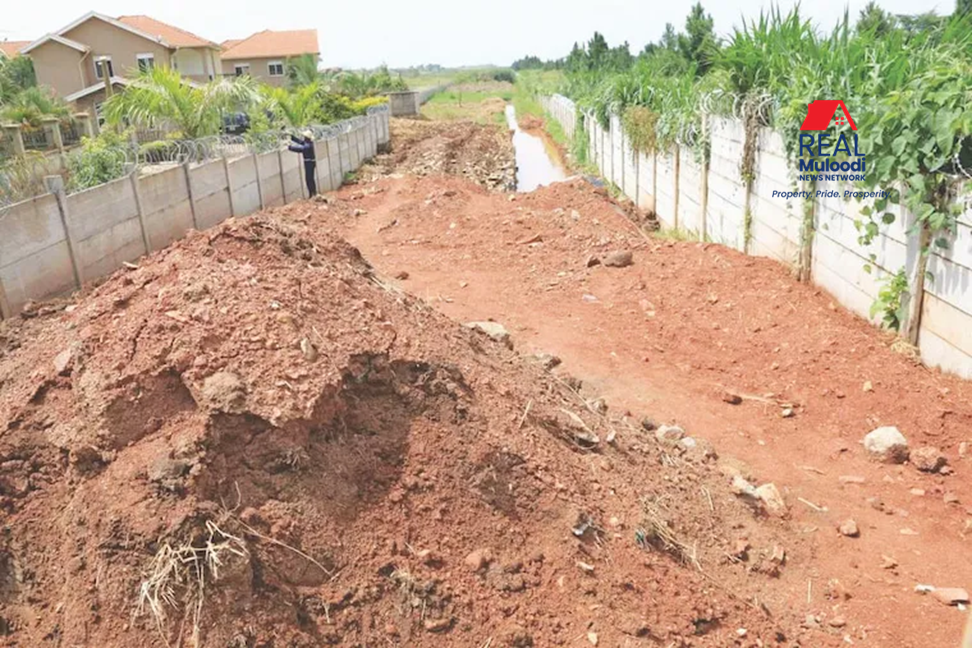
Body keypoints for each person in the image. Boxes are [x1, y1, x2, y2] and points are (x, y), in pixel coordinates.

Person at [289, 129, 317, 197]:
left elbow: (301, 149)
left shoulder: (308, 146)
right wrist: (292, 137)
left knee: (309, 179)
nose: (303, 138)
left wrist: (290, 147)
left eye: (304, 137)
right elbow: (300, 142)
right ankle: (313, 193)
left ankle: (312, 193)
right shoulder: (308, 143)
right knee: (310, 178)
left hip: (309, 163)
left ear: (307, 137)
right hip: (310, 162)